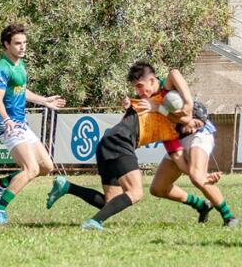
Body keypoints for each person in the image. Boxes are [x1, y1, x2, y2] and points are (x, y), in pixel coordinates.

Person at [46, 61, 193, 230]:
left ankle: (67, 187)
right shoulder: (149, 100)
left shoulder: (166, 117)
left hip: (108, 143)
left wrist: (199, 175)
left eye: (140, 86)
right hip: (119, 141)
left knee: (111, 202)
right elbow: (174, 75)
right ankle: (94, 222)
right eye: (136, 87)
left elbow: (185, 116)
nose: (139, 92)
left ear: (152, 80)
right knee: (135, 192)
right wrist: (184, 104)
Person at [0, 23, 65, 225]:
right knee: (31, 168)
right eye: (17, 43)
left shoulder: (19, 64)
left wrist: (45, 101)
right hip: (8, 123)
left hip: (20, 123)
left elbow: (22, 90)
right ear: (6, 44)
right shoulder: (1, 68)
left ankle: (1, 183)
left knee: (46, 166)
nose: (22, 47)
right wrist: (6, 120)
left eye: (24, 43)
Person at [148, 101, 239, 227]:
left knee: (197, 178)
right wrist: (204, 175)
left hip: (201, 136)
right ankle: (202, 206)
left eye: (198, 125)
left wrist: (201, 175)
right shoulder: (166, 125)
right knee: (158, 188)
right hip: (180, 138)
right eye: (195, 124)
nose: (193, 129)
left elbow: (192, 172)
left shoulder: (197, 130)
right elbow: (180, 162)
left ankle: (229, 217)